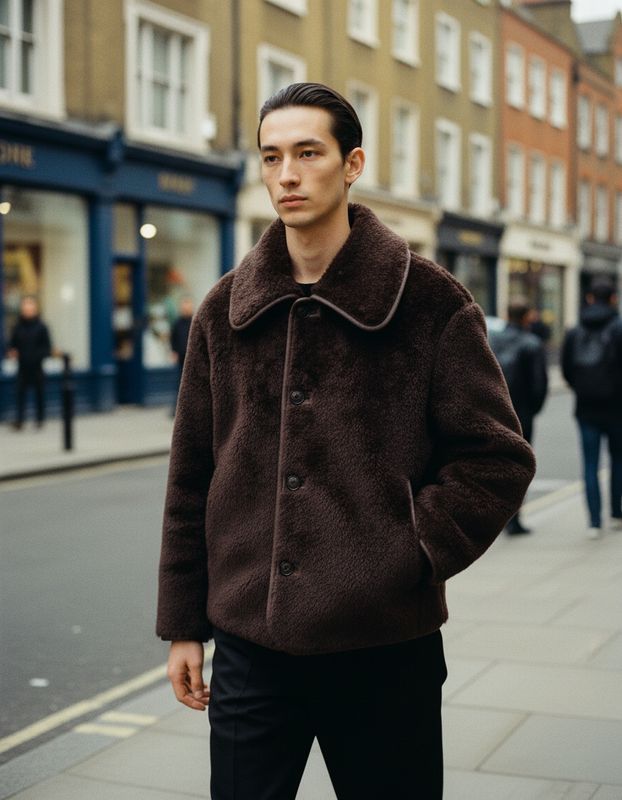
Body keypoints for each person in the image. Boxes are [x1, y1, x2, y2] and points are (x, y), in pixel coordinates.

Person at [157, 83, 535, 799]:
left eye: (307, 153)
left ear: (352, 162)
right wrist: (182, 625)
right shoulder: (223, 309)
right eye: (271, 157)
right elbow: (191, 476)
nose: (287, 175)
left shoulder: (430, 301)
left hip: (385, 645)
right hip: (250, 647)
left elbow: (496, 459)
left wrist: (406, 551)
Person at [562, 277, 622, 539]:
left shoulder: (574, 331)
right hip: (617, 406)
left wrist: (582, 388)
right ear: (613, 298)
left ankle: (594, 522)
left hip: (586, 407)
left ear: (589, 299)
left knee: (590, 463)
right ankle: (617, 513)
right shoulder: (619, 327)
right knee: (618, 460)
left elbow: (566, 369)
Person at [489, 298, 548, 534]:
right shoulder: (532, 343)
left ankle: (494, 517)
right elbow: (538, 386)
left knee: (494, 462)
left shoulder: (492, 339)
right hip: (521, 412)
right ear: (526, 317)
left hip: (494, 409)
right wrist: (532, 410)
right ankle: (512, 519)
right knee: (519, 465)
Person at [6, 295, 52, 430]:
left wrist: (36, 356)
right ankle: (20, 420)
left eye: (30, 306)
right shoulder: (18, 327)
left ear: (35, 309)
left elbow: (47, 348)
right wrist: (12, 351)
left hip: (37, 366)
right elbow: (12, 344)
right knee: (20, 393)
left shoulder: (42, 327)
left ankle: (40, 419)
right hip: (22, 366)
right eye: (25, 306)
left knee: (39, 393)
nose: (27, 309)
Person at [169, 296, 193, 415]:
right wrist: (173, 351)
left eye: (187, 305)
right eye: (184, 306)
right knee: (180, 382)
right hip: (181, 356)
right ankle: (177, 409)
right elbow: (173, 338)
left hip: (192, 357)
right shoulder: (177, 322)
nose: (185, 308)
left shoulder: (195, 321)